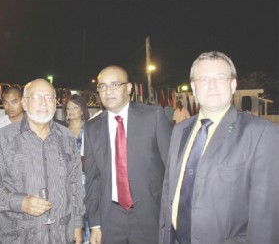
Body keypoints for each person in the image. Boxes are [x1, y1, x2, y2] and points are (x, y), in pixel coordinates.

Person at [159, 51, 279, 244]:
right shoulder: (180, 130)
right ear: (193, 86)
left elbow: (267, 217)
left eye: (220, 78)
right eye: (204, 79)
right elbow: (169, 192)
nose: (212, 85)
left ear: (233, 85)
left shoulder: (261, 134)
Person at [0, 79, 85, 243]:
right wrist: (20, 202)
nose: (43, 103)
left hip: (61, 235)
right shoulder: (3, 139)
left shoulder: (67, 137)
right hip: (19, 236)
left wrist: (77, 225)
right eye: (36, 97)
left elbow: (75, 184)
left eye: (49, 97)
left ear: (55, 104)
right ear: (25, 103)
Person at [84, 66, 172, 244]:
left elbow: (172, 168)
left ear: (129, 88)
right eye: (102, 86)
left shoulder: (153, 117)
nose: (108, 91)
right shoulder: (92, 128)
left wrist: (170, 215)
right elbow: (93, 179)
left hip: (150, 214)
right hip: (111, 218)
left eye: (115, 84)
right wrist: (95, 224)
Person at [64, 94, 91, 243]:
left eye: (75, 107)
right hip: (66, 179)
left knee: (84, 211)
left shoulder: (89, 129)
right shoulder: (62, 130)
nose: (71, 111)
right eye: (68, 108)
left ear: (82, 110)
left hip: (84, 178)